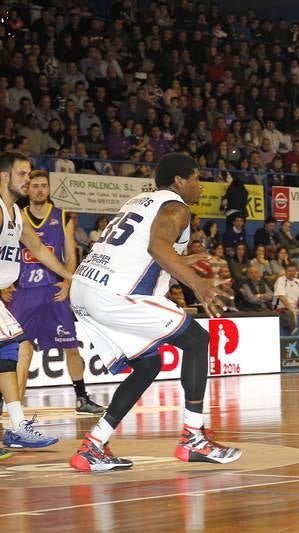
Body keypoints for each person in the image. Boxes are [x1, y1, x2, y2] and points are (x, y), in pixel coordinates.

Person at [68, 153, 241, 472]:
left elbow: (145, 254)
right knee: (197, 340)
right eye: (196, 179)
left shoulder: (139, 201)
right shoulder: (177, 206)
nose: (200, 187)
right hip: (115, 294)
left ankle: (93, 445)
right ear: (179, 181)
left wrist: (188, 263)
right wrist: (198, 283)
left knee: (149, 365)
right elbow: (157, 249)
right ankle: (193, 438)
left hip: (83, 289)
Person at [9, 170, 104, 413]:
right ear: (28, 189)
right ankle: (9, 401)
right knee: (18, 349)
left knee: (71, 346)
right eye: (35, 185)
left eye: (43, 185)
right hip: (24, 291)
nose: (39, 189)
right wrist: (6, 284)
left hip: (54, 290)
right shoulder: (16, 216)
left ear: (49, 190)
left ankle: (81, 397)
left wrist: (68, 282)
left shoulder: (62, 217)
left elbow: (71, 255)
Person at [0, 152, 73, 456]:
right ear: (4, 176)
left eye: (29, 174)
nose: (27, 180)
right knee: (11, 347)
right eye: (22, 174)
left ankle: (16, 427)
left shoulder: (14, 212)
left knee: (9, 351)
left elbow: (40, 250)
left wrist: (71, 276)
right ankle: (16, 427)